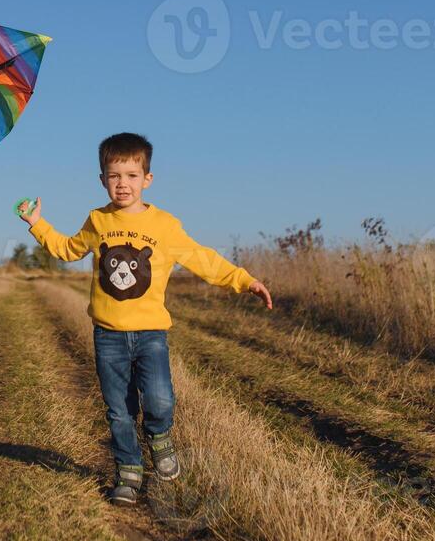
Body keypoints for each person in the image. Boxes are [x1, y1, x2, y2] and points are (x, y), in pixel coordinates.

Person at [18, 132, 273, 505]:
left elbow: (202, 259)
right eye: (114, 175)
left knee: (160, 400)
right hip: (108, 335)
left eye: (132, 175)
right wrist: (37, 223)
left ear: (147, 179)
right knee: (119, 410)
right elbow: (67, 248)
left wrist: (243, 280)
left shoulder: (165, 226)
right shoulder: (97, 220)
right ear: (102, 179)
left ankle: (159, 437)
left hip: (151, 332)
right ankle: (128, 471)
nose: (123, 184)